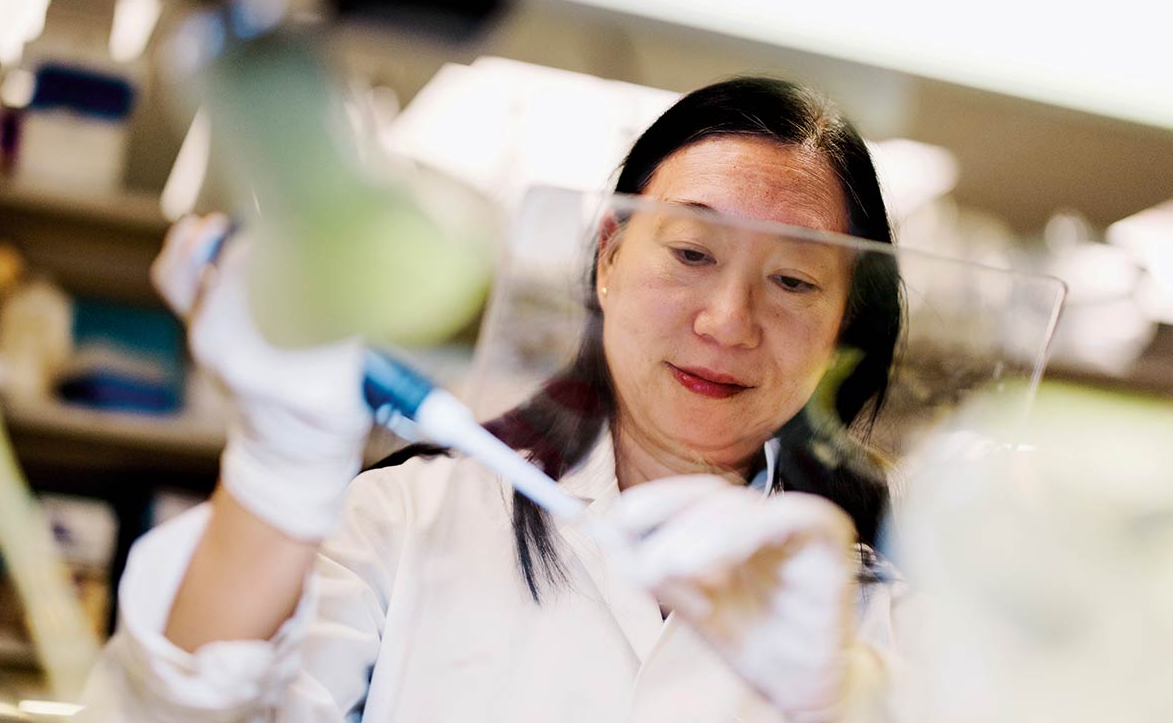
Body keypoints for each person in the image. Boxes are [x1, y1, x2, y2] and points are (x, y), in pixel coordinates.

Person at [79, 77, 904, 722]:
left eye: (793, 280)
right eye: (691, 251)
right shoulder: (411, 518)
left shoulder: (896, 603)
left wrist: (839, 702)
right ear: (609, 259)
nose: (728, 321)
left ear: (842, 327)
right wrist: (277, 468)